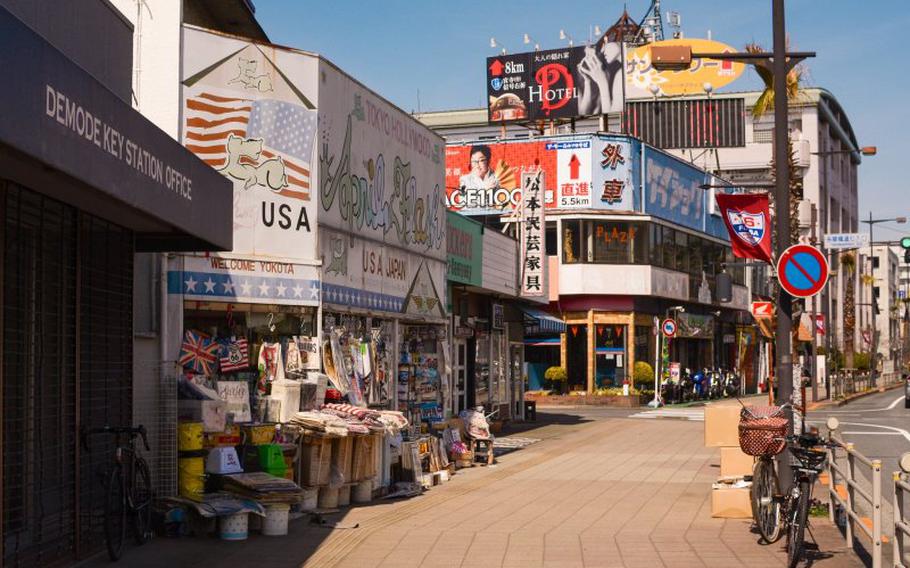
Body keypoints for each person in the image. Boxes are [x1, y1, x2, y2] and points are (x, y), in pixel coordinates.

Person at [576, 40, 624, 116]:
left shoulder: (619, 74)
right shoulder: (618, 74)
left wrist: (602, 83)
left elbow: (611, 114)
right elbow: (583, 113)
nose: (602, 50)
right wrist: (588, 82)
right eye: (587, 55)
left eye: (605, 44)